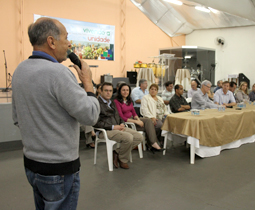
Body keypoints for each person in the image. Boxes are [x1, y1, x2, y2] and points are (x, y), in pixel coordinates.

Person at [11, 17, 100, 210]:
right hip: (59, 170)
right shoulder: (58, 73)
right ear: (51, 42)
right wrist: (88, 83)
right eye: (66, 38)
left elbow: (18, 118)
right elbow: (91, 116)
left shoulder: (20, 70)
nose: (69, 44)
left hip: (32, 166)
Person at [94, 82, 143, 169]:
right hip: (105, 131)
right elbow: (96, 122)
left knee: (139, 137)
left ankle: (117, 152)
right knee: (128, 138)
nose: (108, 92)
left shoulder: (112, 102)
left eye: (110, 91)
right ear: (100, 91)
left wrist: (121, 123)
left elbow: (119, 116)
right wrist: (113, 127)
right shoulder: (96, 104)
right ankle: (123, 160)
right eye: (106, 90)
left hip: (117, 127)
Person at [114, 83, 163, 152]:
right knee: (150, 126)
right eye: (123, 90)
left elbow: (134, 112)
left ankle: (152, 143)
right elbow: (121, 117)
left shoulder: (128, 100)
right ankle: (152, 143)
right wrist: (136, 121)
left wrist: (138, 119)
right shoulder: (116, 101)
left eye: (127, 90)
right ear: (120, 91)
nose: (125, 92)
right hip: (126, 123)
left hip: (132, 119)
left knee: (148, 121)